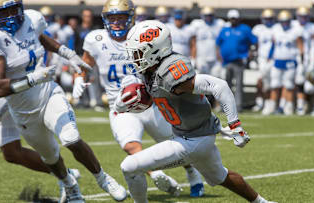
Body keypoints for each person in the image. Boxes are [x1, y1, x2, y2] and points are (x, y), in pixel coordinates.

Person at [116, 20, 276, 203]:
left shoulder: (171, 70)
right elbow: (179, 101)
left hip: (191, 141)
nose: (135, 57)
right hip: (195, 135)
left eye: (138, 52)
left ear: (155, 50)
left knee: (129, 167)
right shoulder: (151, 70)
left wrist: (235, 124)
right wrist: (126, 104)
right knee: (221, 177)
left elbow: (220, 86)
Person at [0, 0, 126, 202]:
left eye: (13, 9)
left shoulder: (32, 19)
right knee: (50, 156)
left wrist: (68, 54)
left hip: (48, 92)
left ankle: (103, 178)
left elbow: (40, 38)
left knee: (71, 138)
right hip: (22, 108)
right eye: (4, 12)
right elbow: (0, 88)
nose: (11, 16)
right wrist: (33, 78)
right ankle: (70, 185)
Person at [74, 0, 205, 197]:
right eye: (112, 18)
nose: (116, 22)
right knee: (129, 144)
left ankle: (193, 173)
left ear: (131, 18)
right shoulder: (95, 39)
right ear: (105, 19)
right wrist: (79, 79)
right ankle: (156, 173)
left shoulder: (143, 36)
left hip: (150, 102)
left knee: (174, 143)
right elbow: (84, 64)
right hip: (120, 106)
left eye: (121, 17)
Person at [264, 10, 304, 115]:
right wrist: (269, 57)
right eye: (283, 21)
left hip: (290, 61)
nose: (285, 23)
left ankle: (288, 107)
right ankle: (272, 106)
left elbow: (301, 47)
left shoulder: (295, 30)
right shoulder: (276, 29)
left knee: (289, 85)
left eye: (287, 21)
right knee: (275, 84)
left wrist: (301, 62)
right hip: (278, 60)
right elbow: (273, 45)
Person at [216, 9, 257, 112]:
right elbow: (218, 44)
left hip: (239, 61)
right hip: (226, 62)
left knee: (238, 85)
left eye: (235, 18)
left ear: (239, 19)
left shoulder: (245, 29)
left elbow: (254, 41)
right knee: (225, 85)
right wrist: (219, 56)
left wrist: (251, 53)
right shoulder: (224, 30)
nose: (233, 20)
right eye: (231, 18)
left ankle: (238, 106)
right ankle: (225, 106)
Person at [292, 6, 314, 115]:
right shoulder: (294, 25)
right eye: (301, 16)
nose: (302, 19)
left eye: (304, 16)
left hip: (308, 58)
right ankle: (300, 106)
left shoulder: (312, 27)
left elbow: (313, 45)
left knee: (312, 85)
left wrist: (313, 60)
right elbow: (297, 42)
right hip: (295, 58)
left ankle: (311, 106)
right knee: (298, 83)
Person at [252, 9, 276, 113]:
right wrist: (253, 57)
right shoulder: (258, 29)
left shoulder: (277, 28)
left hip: (274, 59)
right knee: (260, 81)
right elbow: (254, 44)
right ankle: (260, 101)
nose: (268, 21)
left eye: (270, 19)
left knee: (271, 83)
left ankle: (269, 103)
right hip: (261, 58)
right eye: (266, 19)